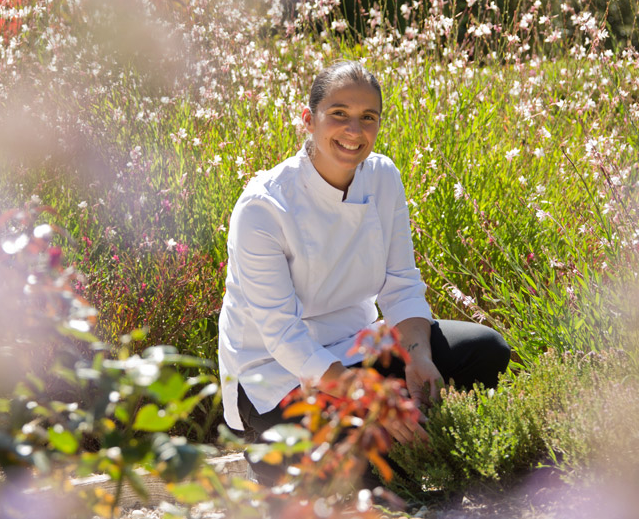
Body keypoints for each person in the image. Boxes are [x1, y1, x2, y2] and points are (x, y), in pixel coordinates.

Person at [217, 60, 511, 487]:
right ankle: (275, 461)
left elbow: (401, 285)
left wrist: (418, 357)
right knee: (350, 481)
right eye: (339, 114)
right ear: (308, 119)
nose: (354, 131)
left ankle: (408, 447)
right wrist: (375, 402)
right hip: (276, 375)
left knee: (486, 350)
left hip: (358, 348)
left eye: (367, 118)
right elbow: (281, 336)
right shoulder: (263, 206)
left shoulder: (383, 177)